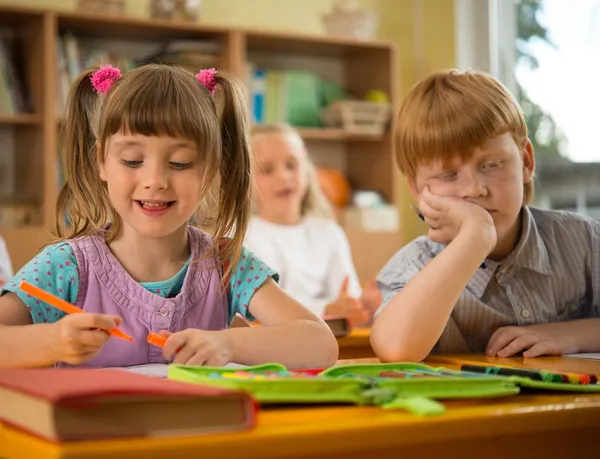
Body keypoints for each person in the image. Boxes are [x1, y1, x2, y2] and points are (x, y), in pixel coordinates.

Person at [0, 64, 338, 369]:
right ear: (102, 160)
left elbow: (320, 344)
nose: (155, 181)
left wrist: (229, 343)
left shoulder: (225, 263)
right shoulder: (65, 267)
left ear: (210, 169)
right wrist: (51, 341)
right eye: (132, 160)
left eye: (179, 163)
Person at [371, 69, 600, 362]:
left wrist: (571, 335)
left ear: (526, 162)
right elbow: (395, 349)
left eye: (491, 164)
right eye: (448, 174)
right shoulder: (412, 266)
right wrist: (475, 235)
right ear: (417, 189)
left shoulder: (584, 241)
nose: (474, 189)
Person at [245, 124, 378, 326]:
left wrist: (365, 303)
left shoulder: (329, 233)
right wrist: (326, 309)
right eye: (267, 170)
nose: (283, 176)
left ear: (307, 172)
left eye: (291, 165)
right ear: (246, 181)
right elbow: (258, 308)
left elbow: (349, 300)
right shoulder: (245, 236)